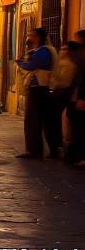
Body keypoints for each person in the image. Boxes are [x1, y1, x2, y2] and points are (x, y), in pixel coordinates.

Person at [16, 28, 59, 159]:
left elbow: (31, 65)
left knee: (33, 119)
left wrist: (20, 63)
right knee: (43, 119)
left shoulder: (44, 50)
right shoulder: (40, 50)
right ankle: (49, 149)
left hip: (40, 87)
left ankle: (34, 150)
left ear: (39, 37)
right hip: (40, 87)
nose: (29, 38)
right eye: (28, 35)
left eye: (32, 36)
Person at [66, 35, 85, 164]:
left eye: (78, 38)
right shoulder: (79, 55)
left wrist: (82, 98)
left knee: (80, 126)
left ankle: (78, 155)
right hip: (76, 95)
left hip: (80, 96)